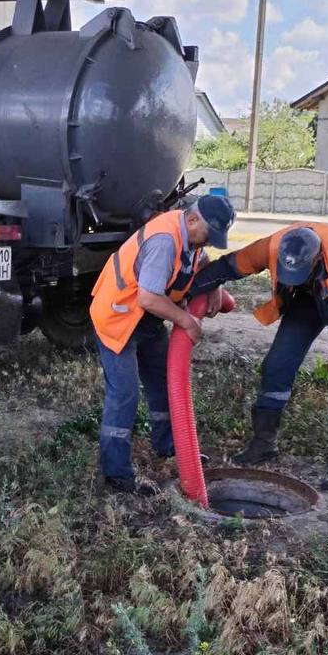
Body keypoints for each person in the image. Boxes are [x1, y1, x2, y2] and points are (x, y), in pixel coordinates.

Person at [188, 222, 328, 490]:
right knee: (277, 366)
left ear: (317, 258)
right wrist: (191, 291)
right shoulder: (273, 245)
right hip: (308, 298)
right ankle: (263, 444)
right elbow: (229, 266)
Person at [89, 194, 237, 494]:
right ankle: (116, 475)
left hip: (147, 320)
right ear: (193, 219)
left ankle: (169, 445)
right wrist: (186, 320)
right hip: (119, 319)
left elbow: (201, 260)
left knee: (163, 384)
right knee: (125, 395)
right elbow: (148, 297)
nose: (206, 243)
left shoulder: (190, 237)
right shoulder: (164, 240)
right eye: (208, 236)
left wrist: (215, 287)